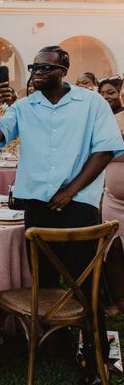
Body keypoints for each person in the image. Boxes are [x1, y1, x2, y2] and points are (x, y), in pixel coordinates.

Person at [0, 46, 124, 383]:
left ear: (64, 68)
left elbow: (105, 149)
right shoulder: (24, 106)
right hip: (36, 206)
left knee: (84, 285)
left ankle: (95, 361)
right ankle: (55, 346)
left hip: (78, 205)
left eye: (46, 67)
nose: (38, 72)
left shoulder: (91, 103)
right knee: (44, 280)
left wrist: (70, 190)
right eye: (35, 67)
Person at [97, 77, 124, 316]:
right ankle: (117, 300)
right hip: (113, 199)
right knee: (112, 248)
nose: (107, 97)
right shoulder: (101, 120)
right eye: (103, 93)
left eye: (112, 92)